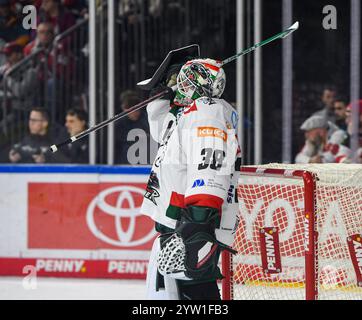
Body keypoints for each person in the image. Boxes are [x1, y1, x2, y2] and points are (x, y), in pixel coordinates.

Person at [141, 58, 241, 300]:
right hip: (179, 222)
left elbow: (210, 167)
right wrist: (161, 94)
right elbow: (162, 129)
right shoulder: (190, 112)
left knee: (194, 290)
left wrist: (199, 223)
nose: (179, 87)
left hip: (193, 222)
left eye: (182, 81)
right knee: (171, 294)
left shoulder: (207, 113)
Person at [114, 90, 151, 164]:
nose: (135, 113)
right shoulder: (119, 123)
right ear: (124, 109)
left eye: (137, 109)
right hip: (124, 163)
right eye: (131, 109)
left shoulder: (146, 119)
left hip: (146, 160)